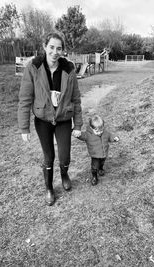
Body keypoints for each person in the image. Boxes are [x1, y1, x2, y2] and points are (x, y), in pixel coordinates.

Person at [18, 31, 83, 206]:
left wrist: (78, 124)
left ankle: (64, 175)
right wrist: (24, 128)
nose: (55, 52)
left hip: (63, 119)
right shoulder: (33, 67)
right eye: (52, 47)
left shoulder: (69, 69)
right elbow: (25, 98)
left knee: (65, 156)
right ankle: (49, 188)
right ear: (45, 47)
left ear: (63, 50)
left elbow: (76, 99)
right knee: (49, 157)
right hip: (43, 120)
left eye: (59, 48)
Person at [74, 114, 119, 186]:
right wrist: (77, 134)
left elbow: (110, 136)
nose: (100, 132)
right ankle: (94, 176)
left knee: (102, 163)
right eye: (97, 131)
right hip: (95, 155)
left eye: (101, 130)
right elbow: (82, 136)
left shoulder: (105, 132)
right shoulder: (88, 134)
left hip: (104, 153)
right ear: (92, 129)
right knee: (94, 166)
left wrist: (114, 138)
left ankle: (101, 168)